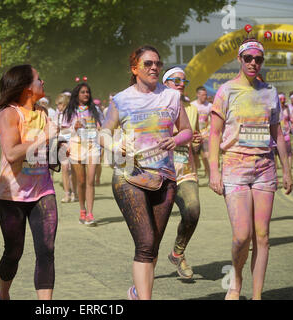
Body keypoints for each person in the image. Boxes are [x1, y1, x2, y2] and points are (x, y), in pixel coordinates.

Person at [100, 45, 192, 300]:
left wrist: (177, 139)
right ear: (135, 69)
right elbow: (104, 131)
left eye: (157, 64)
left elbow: (186, 130)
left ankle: (136, 292)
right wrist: (115, 145)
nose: (154, 68)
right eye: (148, 64)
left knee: (153, 245)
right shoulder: (121, 99)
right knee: (145, 243)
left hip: (164, 178)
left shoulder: (172, 97)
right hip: (130, 176)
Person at [209, 39, 293, 300]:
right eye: (249, 59)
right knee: (241, 236)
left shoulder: (269, 91)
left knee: (263, 236)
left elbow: (277, 134)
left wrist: (287, 170)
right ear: (240, 59)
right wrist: (213, 171)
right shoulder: (226, 91)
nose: (254, 63)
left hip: (265, 168)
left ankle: (257, 295)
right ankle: (236, 280)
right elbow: (214, 134)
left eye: (258, 59)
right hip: (235, 168)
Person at [0, 64, 59, 300]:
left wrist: (60, 149)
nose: (43, 82)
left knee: (46, 251)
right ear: (26, 87)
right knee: (13, 252)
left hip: (43, 192)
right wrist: (46, 137)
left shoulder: (43, 113)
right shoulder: (9, 114)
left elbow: (46, 151)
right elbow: (11, 154)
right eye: (38, 79)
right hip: (11, 196)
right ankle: (3, 294)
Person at [163, 67, 201, 279]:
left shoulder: (191, 109)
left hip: (185, 170)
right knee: (153, 227)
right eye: (175, 80)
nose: (180, 84)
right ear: (165, 83)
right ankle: (145, 268)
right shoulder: (156, 104)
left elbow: (191, 144)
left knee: (193, 210)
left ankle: (178, 252)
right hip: (159, 172)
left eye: (183, 81)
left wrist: (196, 142)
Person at [62, 82, 104, 226]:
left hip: (93, 146)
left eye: (88, 92)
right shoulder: (70, 111)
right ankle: (82, 210)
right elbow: (63, 131)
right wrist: (74, 127)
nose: (86, 94)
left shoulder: (95, 110)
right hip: (76, 146)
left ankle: (90, 214)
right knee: (81, 181)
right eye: (83, 92)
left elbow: (103, 127)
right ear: (77, 94)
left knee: (90, 180)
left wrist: (100, 129)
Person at [55, 93, 77, 202]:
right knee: (64, 169)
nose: (58, 106)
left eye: (60, 104)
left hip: (72, 144)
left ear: (65, 103)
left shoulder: (73, 114)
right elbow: (56, 129)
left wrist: (70, 142)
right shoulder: (58, 114)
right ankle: (67, 194)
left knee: (72, 170)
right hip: (62, 144)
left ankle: (74, 192)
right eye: (57, 104)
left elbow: (74, 129)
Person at [191, 86, 212, 179]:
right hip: (194, 135)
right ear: (197, 95)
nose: (205, 96)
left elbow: (213, 120)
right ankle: (195, 179)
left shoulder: (210, 106)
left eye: (206, 95)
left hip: (205, 134)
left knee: (207, 156)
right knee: (194, 158)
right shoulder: (192, 105)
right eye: (203, 95)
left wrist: (209, 129)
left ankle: (209, 177)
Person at [273, 93, 292, 169]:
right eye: (281, 99)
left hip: (286, 134)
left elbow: (290, 119)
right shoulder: (274, 109)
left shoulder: (287, 109)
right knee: (275, 153)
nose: (283, 101)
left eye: (284, 99)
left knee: (288, 153)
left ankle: (288, 170)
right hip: (276, 134)